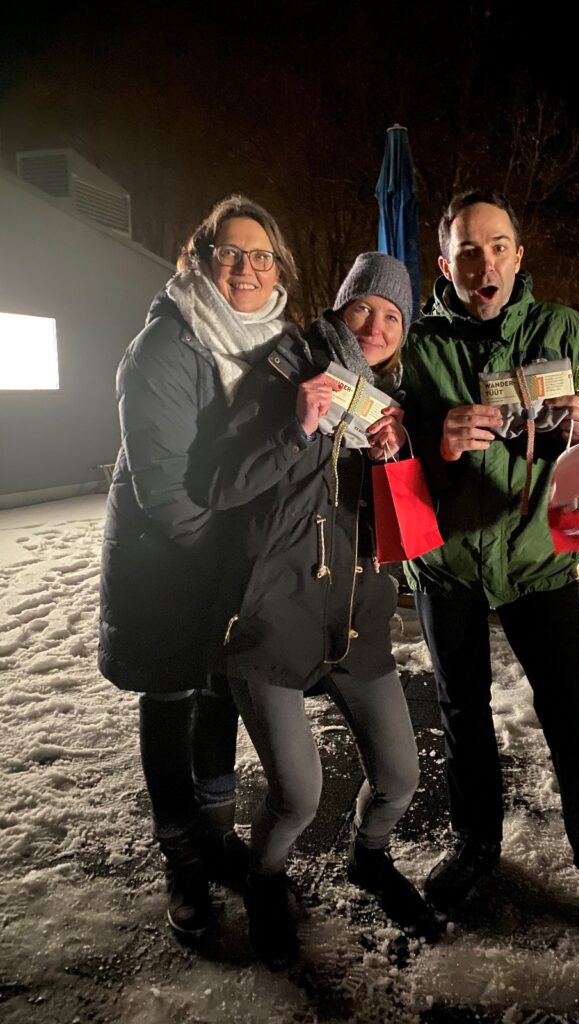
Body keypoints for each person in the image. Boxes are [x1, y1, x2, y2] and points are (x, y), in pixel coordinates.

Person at [401, 190, 579, 953]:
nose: (486, 263)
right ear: (444, 263)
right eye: (469, 251)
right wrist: (432, 434)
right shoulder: (416, 346)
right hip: (447, 568)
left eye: (500, 245)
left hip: (539, 561)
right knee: (463, 719)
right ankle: (477, 846)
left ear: (519, 253)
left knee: (574, 725)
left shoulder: (565, 332)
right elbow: (380, 453)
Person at [203, 252, 440, 964]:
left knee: (401, 777)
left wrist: (396, 459)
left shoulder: (387, 406)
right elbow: (221, 489)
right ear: (339, 307)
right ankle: (264, 878)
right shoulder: (283, 371)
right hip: (273, 617)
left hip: (354, 621)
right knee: (298, 797)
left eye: (392, 316)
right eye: (363, 307)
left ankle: (369, 857)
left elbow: (404, 531)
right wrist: (297, 428)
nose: (375, 325)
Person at [98, 194, 299, 938]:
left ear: (280, 265)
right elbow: (164, 491)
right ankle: (182, 860)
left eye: (261, 255)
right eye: (229, 255)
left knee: (218, 696)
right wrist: (228, 567)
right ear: (200, 260)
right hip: (165, 559)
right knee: (172, 699)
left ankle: (217, 841)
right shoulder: (164, 346)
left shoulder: (279, 341)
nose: (245, 269)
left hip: (226, 559)